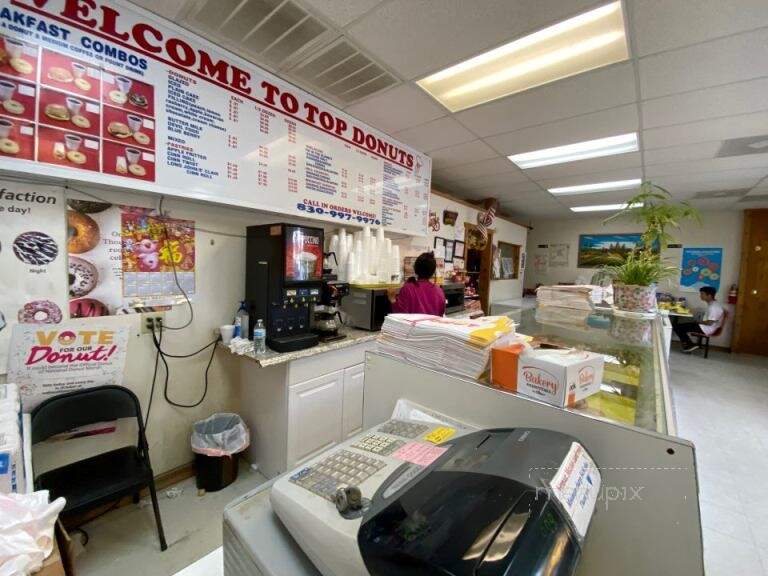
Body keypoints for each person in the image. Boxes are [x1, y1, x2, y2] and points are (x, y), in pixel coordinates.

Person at [389, 252, 446, 316]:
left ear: (415, 268)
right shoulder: (439, 291)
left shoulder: (407, 289)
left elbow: (401, 315)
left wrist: (392, 299)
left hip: (412, 326)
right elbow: (440, 314)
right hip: (431, 325)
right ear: (433, 272)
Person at [672, 286, 725, 353]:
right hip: (706, 326)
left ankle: (689, 345)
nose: (700, 296)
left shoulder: (713, 307)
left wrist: (698, 322)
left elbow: (709, 323)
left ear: (709, 296)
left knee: (677, 327)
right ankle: (689, 344)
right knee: (681, 324)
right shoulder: (713, 304)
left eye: (702, 294)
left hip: (707, 329)